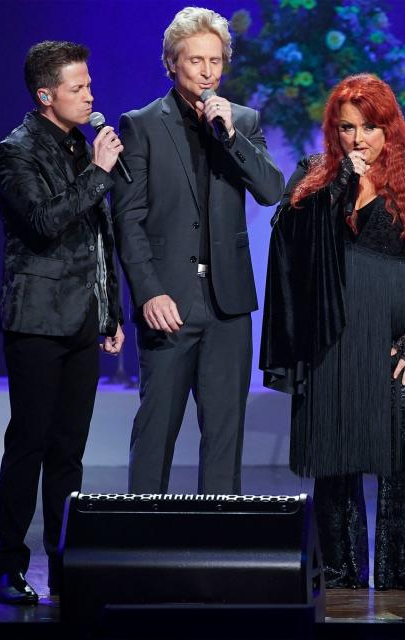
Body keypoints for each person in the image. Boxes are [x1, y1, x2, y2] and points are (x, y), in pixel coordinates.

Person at [260, 74, 405, 593]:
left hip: (398, 338)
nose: (358, 139)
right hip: (335, 334)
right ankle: (338, 566)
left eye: (370, 127)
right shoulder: (313, 177)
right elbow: (291, 250)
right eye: (347, 127)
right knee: (337, 452)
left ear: (389, 128)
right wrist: (341, 190)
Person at [112, 7, 284, 494]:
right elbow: (128, 218)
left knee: (225, 437)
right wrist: (148, 293)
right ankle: (140, 548)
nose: (207, 72)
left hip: (227, 305)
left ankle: (218, 549)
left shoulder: (242, 122)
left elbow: (272, 190)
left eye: (215, 61)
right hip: (167, 301)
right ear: (171, 63)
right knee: (155, 432)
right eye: (195, 62)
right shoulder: (141, 124)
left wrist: (230, 138)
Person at [0, 40, 125, 604]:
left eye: (90, 85)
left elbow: (99, 240)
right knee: (30, 443)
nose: (90, 95)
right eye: (79, 87)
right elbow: (45, 222)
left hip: (79, 321)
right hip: (36, 321)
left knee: (70, 448)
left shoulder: (80, 147)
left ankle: (62, 564)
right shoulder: (15, 151)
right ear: (46, 95)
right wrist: (97, 171)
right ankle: (8, 567)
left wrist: (110, 311)